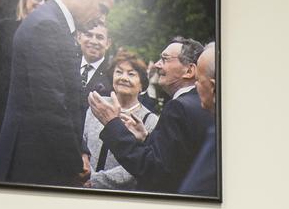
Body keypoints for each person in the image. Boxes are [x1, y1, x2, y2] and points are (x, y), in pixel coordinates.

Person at [0, 0, 114, 186]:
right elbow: (51, 104)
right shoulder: (47, 26)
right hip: (31, 162)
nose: (101, 18)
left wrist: (82, 150)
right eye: (102, 8)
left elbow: (69, 99)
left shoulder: (54, 24)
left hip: (39, 158)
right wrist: (75, 161)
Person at [88, 37, 211, 195]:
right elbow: (173, 161)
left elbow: (154, 171)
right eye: (118, 72)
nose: (158, 65)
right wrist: (146, 139)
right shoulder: (199, 104)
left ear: (189, 71)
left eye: (165, 59)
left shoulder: (178, 107)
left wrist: (112, 123)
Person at [0, 0, 53, 170]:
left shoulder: (48, 36)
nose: (41, 2)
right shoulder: (5, 28)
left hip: (26, 110)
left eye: (46, 0)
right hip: (0, 103)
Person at [81, 49, 159, 190]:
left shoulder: (150, 120)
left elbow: (136, 167)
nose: (123, 77)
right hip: (82, 183)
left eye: (131, 74)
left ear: (142, 84)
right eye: (119, 72)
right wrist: (84, 171)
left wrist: (94, 181)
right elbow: (82, 141)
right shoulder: (98, 104)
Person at [178, 42, 218, 197]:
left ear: (213, 87)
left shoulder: (217, 135)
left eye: (198, 81)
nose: (195, 86)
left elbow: (193, 191)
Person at [77, 22, 113, 108]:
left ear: (108, 43)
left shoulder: (112, 74)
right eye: (88, 35)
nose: (93, 41)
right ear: (79, 38)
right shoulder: (67, 65)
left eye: (99, 37)